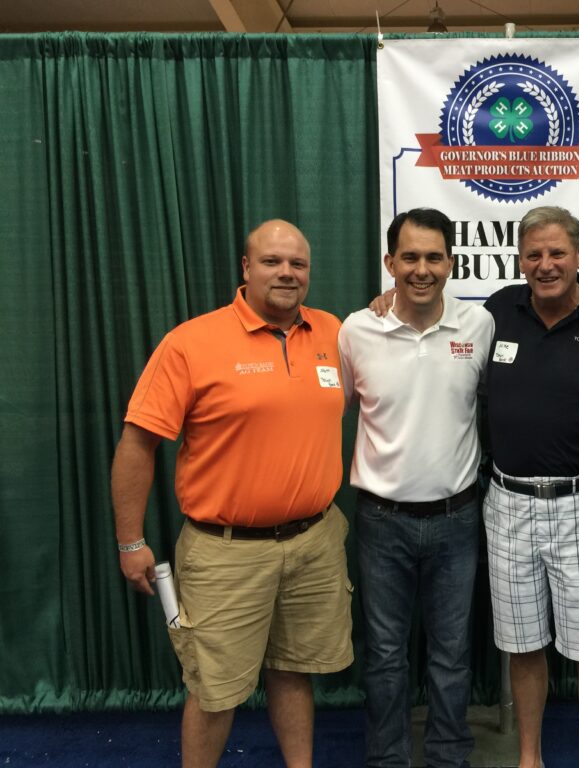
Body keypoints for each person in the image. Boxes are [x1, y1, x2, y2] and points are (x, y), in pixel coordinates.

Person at [111, 219, 354, 768]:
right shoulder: (191, 343)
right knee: (215, 689)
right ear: (246, 269)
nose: (287, 273)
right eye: (272, 262)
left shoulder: (335, 333)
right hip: (224, 551)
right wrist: (131, 542)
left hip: (315, 541)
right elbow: (137, 443)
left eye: (298, 264)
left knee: (294, 669)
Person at [482, 206, 579, 768]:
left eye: (557, 253)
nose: (545, 265)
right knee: (522, 647)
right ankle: (530, 758)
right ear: (519, 259)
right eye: (533, 255)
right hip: (508, 502)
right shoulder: (497, 312)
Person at [340, 208, 494, 768]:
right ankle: (388, 758)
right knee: (383, 655)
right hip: (382, 520)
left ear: (452, 262)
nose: (422, 269)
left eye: (434, 257)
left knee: (451, 655)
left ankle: (449, 756)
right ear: (389, 263)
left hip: (458, 518)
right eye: (410, 257)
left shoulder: (479, 326)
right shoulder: (356, 330)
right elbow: (325, 411)